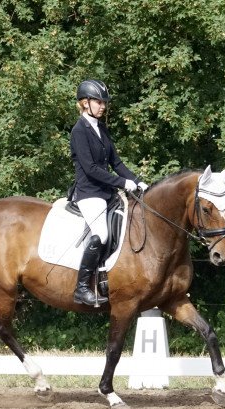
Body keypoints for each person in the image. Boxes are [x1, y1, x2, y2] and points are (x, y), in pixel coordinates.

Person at [70, 79, 148, 306]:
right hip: (89, 193)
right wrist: (123, 183)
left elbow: (117, 162)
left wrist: (137, 181)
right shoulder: (79, 131)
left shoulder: (101, 128)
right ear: (85, 103)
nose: (103, 106)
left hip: (107, 192)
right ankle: (82, 287)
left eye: (104, 102)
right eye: (98, 102)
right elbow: (91, 170)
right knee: (101, 234)